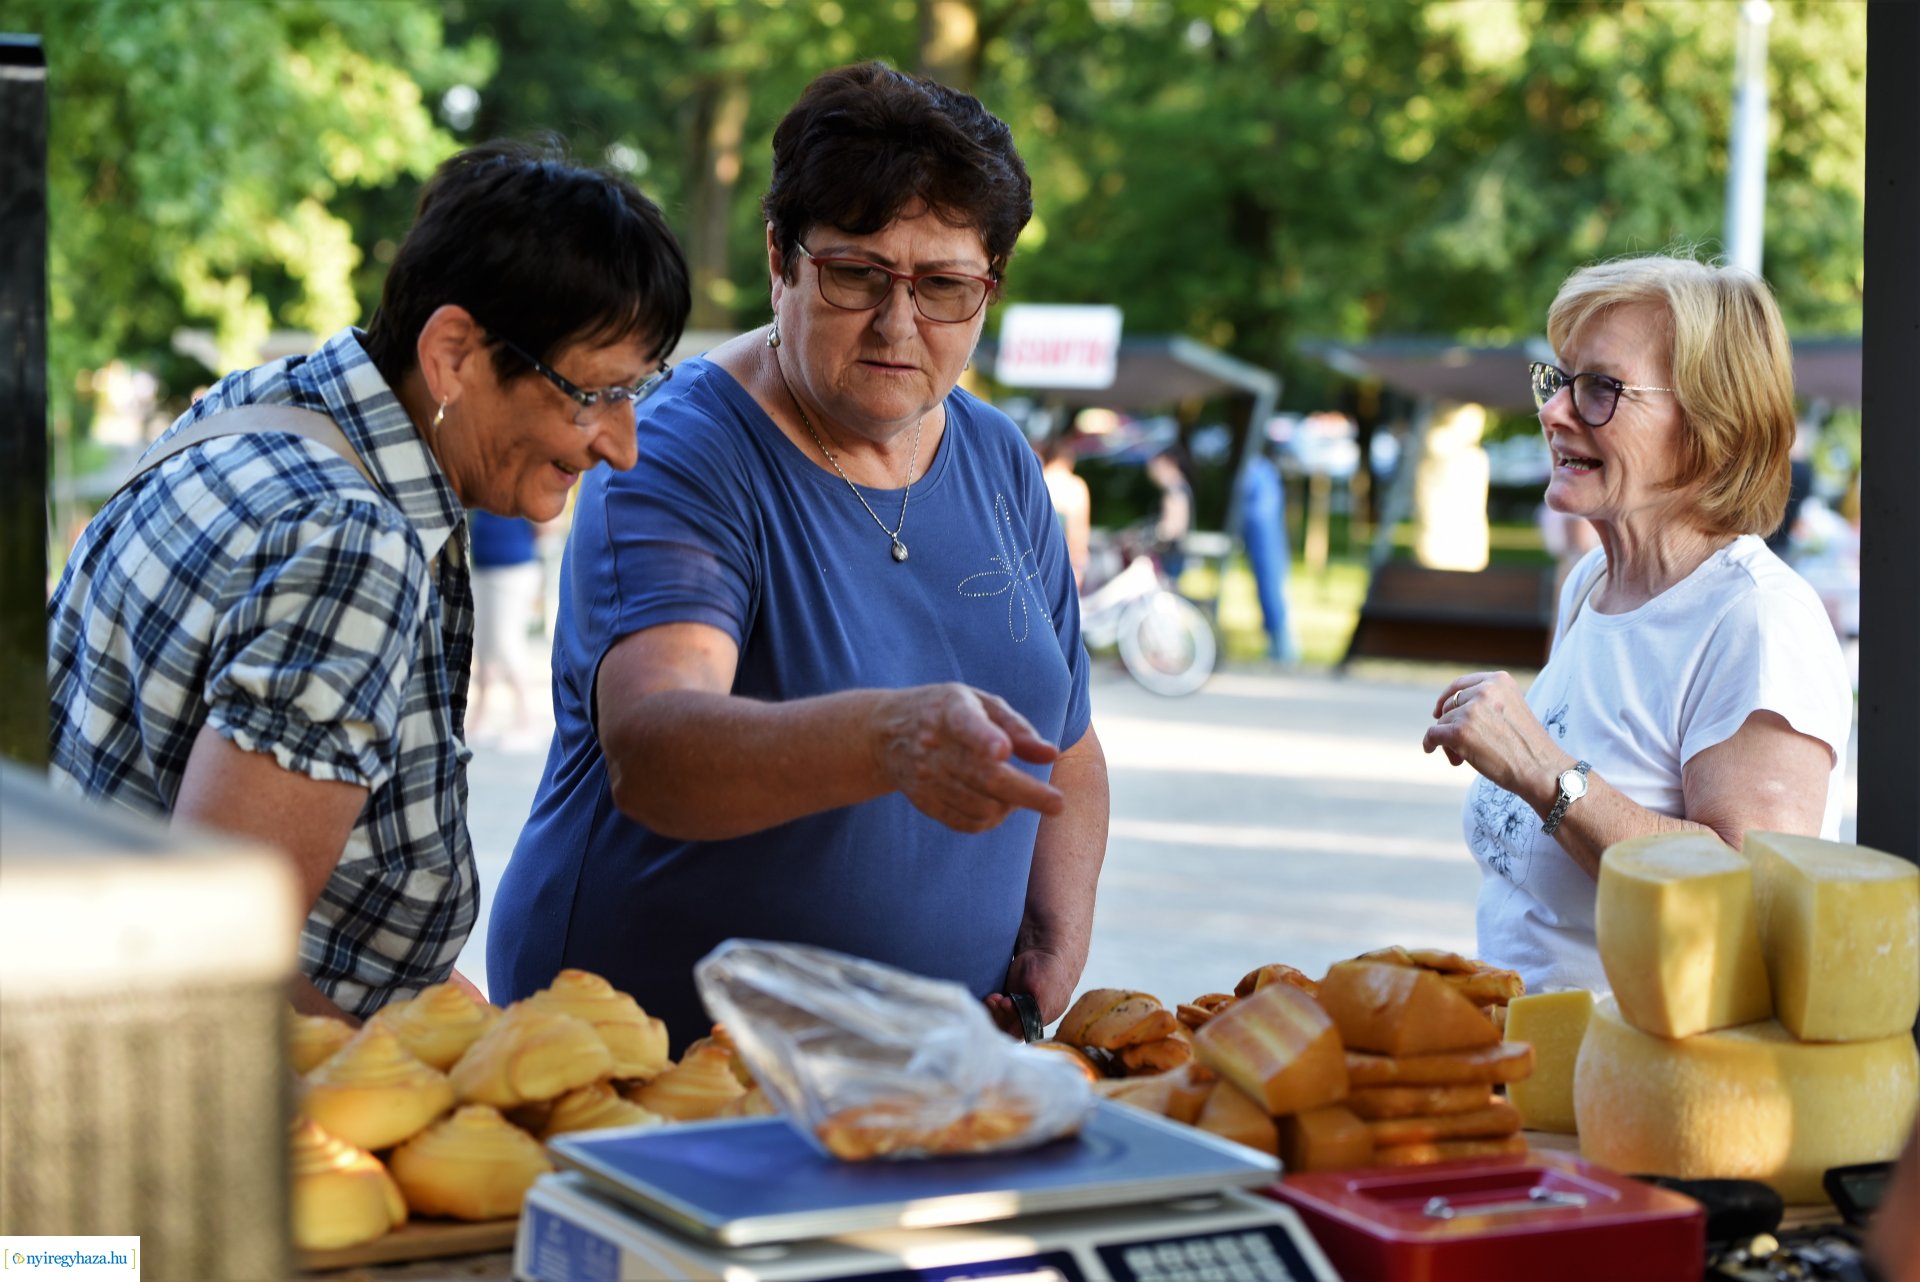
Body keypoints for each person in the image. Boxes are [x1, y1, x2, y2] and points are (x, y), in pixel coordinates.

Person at [489, 63, 1108, 1049]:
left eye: (946, 286)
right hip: (664, 1054)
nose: (900, 324)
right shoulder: (681, 451)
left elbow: (1065, 737)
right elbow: (655, 752)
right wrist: (887, 741)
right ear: (781, 255)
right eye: (859, 274)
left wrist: (1054, 932)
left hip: (931, 1054)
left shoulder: (996, 458)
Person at [48, 141, 691, 1022]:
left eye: (638, 393)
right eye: (594, 395)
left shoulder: (255, 407)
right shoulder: (352, 544)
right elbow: (223, 964)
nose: (622, 443)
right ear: (455, 354)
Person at [1422, 254, 1851, 997]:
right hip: (1535, 1069)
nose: (1555, 412)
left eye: (1599, 390)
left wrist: (1541, 771)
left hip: (1645, 1087)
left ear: (1710, 424)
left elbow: (1751, 900)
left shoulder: (1755, 617)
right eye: (1560, 380)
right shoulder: (1592, 582)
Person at [468, 509, 545, 745]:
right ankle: (480, 718)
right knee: (483, 645)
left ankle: (525, 723)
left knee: (507, 643)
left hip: (514, 567)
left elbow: (545, 523)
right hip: (484, 566)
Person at [1236, 437, 1297, 662]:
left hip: (1265, 544)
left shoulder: (1257, 472)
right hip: (1269, 544)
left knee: (1272, 592)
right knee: (1272, 590)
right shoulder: (1265, 472)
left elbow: (1255, 513)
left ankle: (1283, 647)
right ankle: (1279, 645)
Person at [1040, 430, 1091, 588]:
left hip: (1032, 562)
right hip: (1060, 564)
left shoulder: (1037, 481)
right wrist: (1078, 567)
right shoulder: (1074, 486)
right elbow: (1078, 534)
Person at [1144, 446, 1194, 580]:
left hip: (1170, 557)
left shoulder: (1174, 490)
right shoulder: (1180, 487)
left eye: (1157, 468)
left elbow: (1173, 528)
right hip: (1174, 556)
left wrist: (1148, 537)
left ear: (1170, 463)